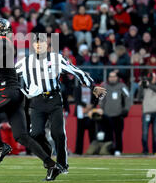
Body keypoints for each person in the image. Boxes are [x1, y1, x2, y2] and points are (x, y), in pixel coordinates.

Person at [0, 20, 63, 181]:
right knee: (21, 136)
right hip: (13, 94)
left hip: (9, 93)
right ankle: (51, 165)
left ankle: (0, 146)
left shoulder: (4, 43)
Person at [15, 33, 107, 172]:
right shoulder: (25, 61)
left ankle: (62, 164)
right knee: (36, 134)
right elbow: (8, 75)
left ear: (47, 44)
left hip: (54, 99)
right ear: (33, 45)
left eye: (42, 42)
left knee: (58, 133)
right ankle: (48, 150)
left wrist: (92, 86)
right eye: (36, 42)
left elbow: (76, 71)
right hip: (37, 101)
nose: (39, 45)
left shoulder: (56, 58)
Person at [100, 71, 131, 156]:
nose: (112, 78)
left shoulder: (122, 86)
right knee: (108, 135)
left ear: (117, 78)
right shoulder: (104, 86)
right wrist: (101, 109)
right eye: (110, 76)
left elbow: (128, 97)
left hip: (118, 114)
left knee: (118, 134)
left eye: (114, 76)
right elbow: (101, 99)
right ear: (108, 78)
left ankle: (118, 149)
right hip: (107, 115)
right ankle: (109, 150)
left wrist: (126, 109)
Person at [137, 72, 156, 155]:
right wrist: (140, 87)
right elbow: (139, 98)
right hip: (146, 112)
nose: (154, 79)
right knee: (145, 133)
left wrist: (149, 85)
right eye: (153, 78)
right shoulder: (144, 87)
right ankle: (145, 151)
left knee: (155, 134)